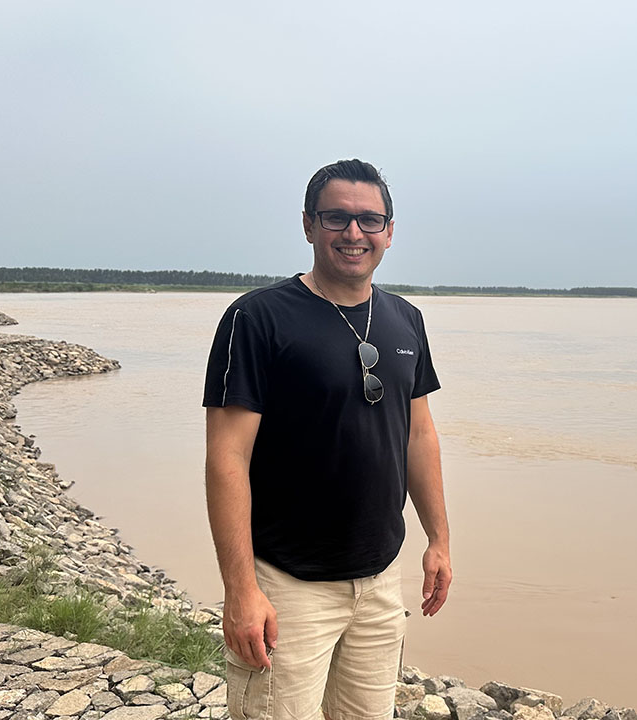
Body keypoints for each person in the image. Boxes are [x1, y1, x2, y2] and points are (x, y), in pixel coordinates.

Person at [203, 158, 452, 720]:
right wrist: (241, 590)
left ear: (390, 231)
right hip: (287, 582)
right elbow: (227, 459)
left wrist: (438, 538)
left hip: (380, 578)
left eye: (370, 220)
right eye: (336, 217)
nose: (353, 233)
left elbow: (420, 435)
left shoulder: (406, 320)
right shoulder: (257, 319)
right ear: (309, 225)